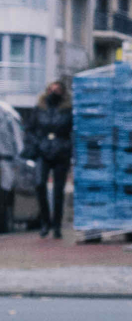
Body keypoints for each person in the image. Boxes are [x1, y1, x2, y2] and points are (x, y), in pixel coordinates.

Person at [27, 80, 70, 239]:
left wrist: (66, 146)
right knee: (39, 184)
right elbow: (30, 129)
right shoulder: (40, 108)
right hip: (42, 151)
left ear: (62, 92)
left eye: (58, 89)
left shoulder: (68, 109)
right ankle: (45, 222)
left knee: (59, 190)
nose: (54, 92)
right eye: (52, 89)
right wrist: (37, 144)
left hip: (61, 152)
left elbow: (73, 129)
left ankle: (57, 226)